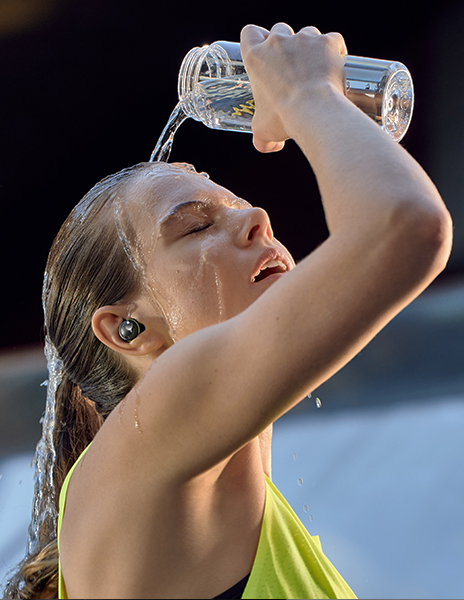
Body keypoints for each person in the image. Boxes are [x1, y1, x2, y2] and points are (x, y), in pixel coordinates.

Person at [4, 22, 452, 600]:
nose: (257, 217)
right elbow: (404, 227)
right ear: (127, 328)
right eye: (196, 226)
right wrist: (306, 93)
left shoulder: (232, 512)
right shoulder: (143, 443)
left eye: (239, 204)